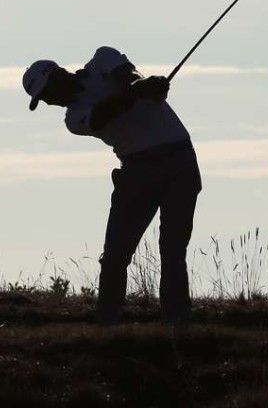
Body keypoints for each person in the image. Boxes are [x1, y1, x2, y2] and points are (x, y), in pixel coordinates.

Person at [22, 48, 201, 324]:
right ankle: (107, 326)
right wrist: (139, 91)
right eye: (42, 99)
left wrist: (143, 86)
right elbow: (103, 114)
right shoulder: (74, 119)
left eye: (47, 93)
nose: (48, 101)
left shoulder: (102, 58)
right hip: (135, 170)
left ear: (58, 75)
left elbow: (128, 75)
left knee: (173, 249)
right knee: (115, 255)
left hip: (180, 161)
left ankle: (177, 324)